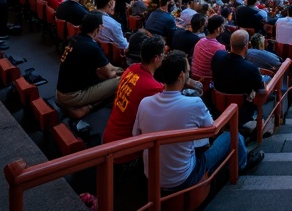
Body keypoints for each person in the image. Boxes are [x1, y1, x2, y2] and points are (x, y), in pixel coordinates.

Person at [133, 50, 257, 192]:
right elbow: (212, 129)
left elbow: (136, 135)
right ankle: (241, 165)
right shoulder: (194, 103)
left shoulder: (145, 103)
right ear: (181, 75)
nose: (189, 74)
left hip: (151, 177)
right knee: (233, 136)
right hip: (184, 178)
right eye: (188, 71)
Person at [55, 11, 123, 116]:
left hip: (61, 92)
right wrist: (125, 72)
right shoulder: (92, 47)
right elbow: (110, 73)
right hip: (73, 96)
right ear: (99, 28)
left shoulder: (73, 39)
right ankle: (85, 108)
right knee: (121, 81)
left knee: (102, 73)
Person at [103, 35, 166, 144]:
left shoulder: (131, 68)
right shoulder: (154, 88)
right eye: (163, 54)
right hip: (123, 148)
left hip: (108, 136)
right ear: (157, 58)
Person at [212, 29, 269, 128]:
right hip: (242, 110)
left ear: (231, 43)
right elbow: (262, 91)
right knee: (267, 82)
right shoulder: (250, 68)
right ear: (247, 45)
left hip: (218, 105)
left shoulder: (217, 56)